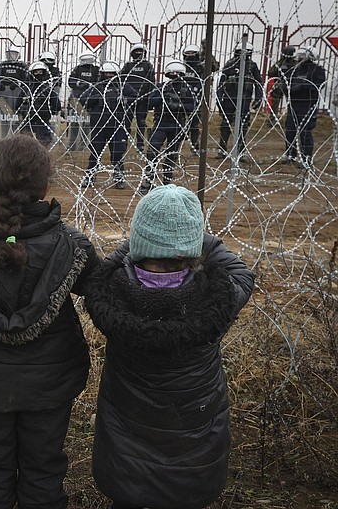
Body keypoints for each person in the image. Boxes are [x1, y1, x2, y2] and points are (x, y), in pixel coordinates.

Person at [0, 134, 101, 509]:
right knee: (43, 464)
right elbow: (104, 295)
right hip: (51, 381)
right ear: (44, 186)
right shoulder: (69, 246)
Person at [83, 184, 255, 509]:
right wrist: (193, 239)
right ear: (191, 249)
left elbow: (107, 267)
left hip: (125, 454)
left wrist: (134, 246)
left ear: (138, 241)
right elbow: (241, 274)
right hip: (193, 451)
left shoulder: (112, 294)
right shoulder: (215, 299)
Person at [79, 60, 137, 189]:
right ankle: (89, 178)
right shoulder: (97, 87)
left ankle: (119, 178)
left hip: (118, 126)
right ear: (102, 74)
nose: (109, 76)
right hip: (99, 126)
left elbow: (136, 98)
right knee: (95, 152)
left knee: (117, 153)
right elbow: (84, 99)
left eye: (112, 74)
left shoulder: (123, 86)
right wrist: (99, 98)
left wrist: (125, 99)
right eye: (107, 74)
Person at [141, 60, 196, 193]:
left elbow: (192, 106)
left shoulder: (186, 89)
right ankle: (149, 181)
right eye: (172, 75)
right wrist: (162, 97)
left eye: (177, 75)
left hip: (177, 125)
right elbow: (149, 103)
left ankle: (166, 181)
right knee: (152, 152)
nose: (174, 78)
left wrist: (177, 106)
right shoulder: (161, 87)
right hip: (160, 123)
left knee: (171, 155)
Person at [216, 42, 263, 159]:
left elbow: (258, 83)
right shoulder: (230, 64)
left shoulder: (252, 66)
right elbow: (222, 82)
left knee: (243, 124)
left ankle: (241, 150)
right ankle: (222, 148)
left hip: (244, 98)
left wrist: (258, 98)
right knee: (226, 124)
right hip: (229, 97)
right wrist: (219, 97)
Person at [283, 45, 327, 169]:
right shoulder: (295, 69)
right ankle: (290, 154)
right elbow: (286, 81)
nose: (300, 57)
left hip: (308, 104)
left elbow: (319, 84)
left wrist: (302, 87)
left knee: (305, 132)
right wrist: (288, 89)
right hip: (294, 104)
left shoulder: (317, 70)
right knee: (290, 130)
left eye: (303, 55)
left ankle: (306, 158)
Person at [120, 43, 155, 154]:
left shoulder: (147, 66)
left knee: (141, 122)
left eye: (141, 52)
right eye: (137, 52)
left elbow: (151, 82)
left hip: (143, 99)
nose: (139, 54)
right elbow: (122, 80)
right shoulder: (128, 66)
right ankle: (123, 141)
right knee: (126, 121)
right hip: (129, 99)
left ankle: (140, 144)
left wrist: (148, 96)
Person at [17, 60, 61, 146]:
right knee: (25, 142)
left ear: (44, 73)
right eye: (36, 72)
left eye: (40, 72)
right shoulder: (27, 89)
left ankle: (40, 155)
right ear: (31, 73)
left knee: (43, 140)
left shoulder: (46, 89)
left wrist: (50, 111)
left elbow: (57, 105)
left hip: (42, 118)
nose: (38, 74)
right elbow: (17, 103)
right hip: (28, 118)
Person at [67, 52, 100, 148]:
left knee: (87, 122)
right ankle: (72, 144)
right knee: (75, 122)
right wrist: (79, 83)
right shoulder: (77, 69)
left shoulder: (96, 70)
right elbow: (70, 81)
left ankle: (83, 145)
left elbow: (99, 82)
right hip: (76, 99)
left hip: (90, 100)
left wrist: (90, 85)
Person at [181, 44, 206, 155]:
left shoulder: (200, 68)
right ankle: (176, 145)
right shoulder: (181, 67)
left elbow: (203, 81)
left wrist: (197, 90)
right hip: (182, 97)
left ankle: (195, 146)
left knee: (195, 124)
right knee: (179, 121)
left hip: (196, 98)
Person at [266, 45, 297, 127]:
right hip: (287, 85)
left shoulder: (281, 63)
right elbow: (271, 72)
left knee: (277, 103)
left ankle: (273, 121)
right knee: (282, 104)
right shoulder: (294, 64)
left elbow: (270, 72)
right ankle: (287, 122)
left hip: (284, 84)